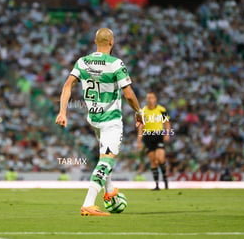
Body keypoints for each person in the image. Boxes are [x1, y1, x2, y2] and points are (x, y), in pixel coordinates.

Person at [56, 28, 142, 216]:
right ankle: (88, 203)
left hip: (94, 120)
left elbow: (67, 85)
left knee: (104, 156)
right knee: (106, 161)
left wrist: (63, 112)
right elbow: (128, 94)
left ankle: (109, 191)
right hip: (111, 120)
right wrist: (139, 112)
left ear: (96, 42)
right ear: (111, 42)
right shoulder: (116, 64)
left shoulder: (82, 62)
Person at [137, 92, 171, 190]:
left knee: (160, 158)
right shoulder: (143, 111)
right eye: (148, 98)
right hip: (147, 136)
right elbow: (141, 126)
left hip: (158, 135)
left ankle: (165, 178)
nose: (150, 99)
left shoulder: (161, 109)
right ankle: (157, 185)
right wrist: (139, 140)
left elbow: (167, 123)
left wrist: (167, 133)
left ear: (155, 99)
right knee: (153, 161)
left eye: (152, 97)